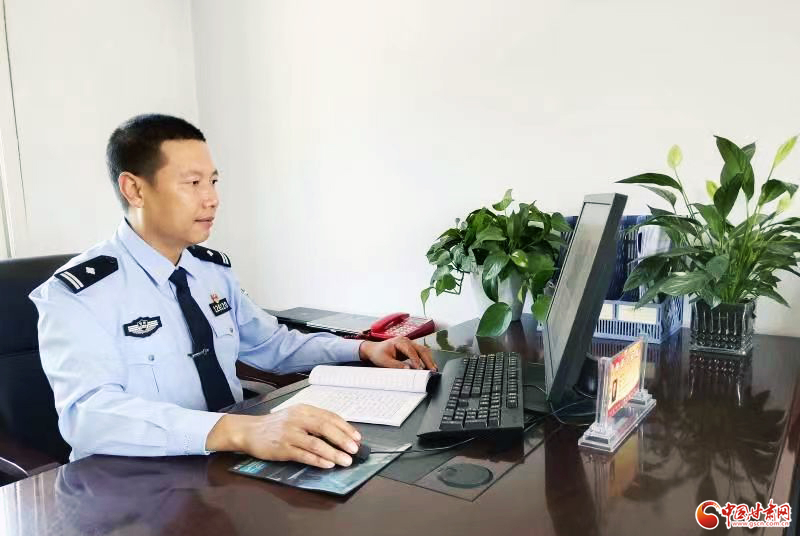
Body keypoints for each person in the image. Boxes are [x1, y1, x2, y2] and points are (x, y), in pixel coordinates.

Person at [30, 114, 435, 469]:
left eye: (213, 181)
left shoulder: (210, 271)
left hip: (226, 463)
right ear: (135, 190)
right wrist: (238, 431)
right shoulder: (79, 294)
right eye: (193, 183)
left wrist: (362, 350)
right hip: (133, 483)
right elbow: (88, 416)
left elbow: (271, 344)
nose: (212, 199)